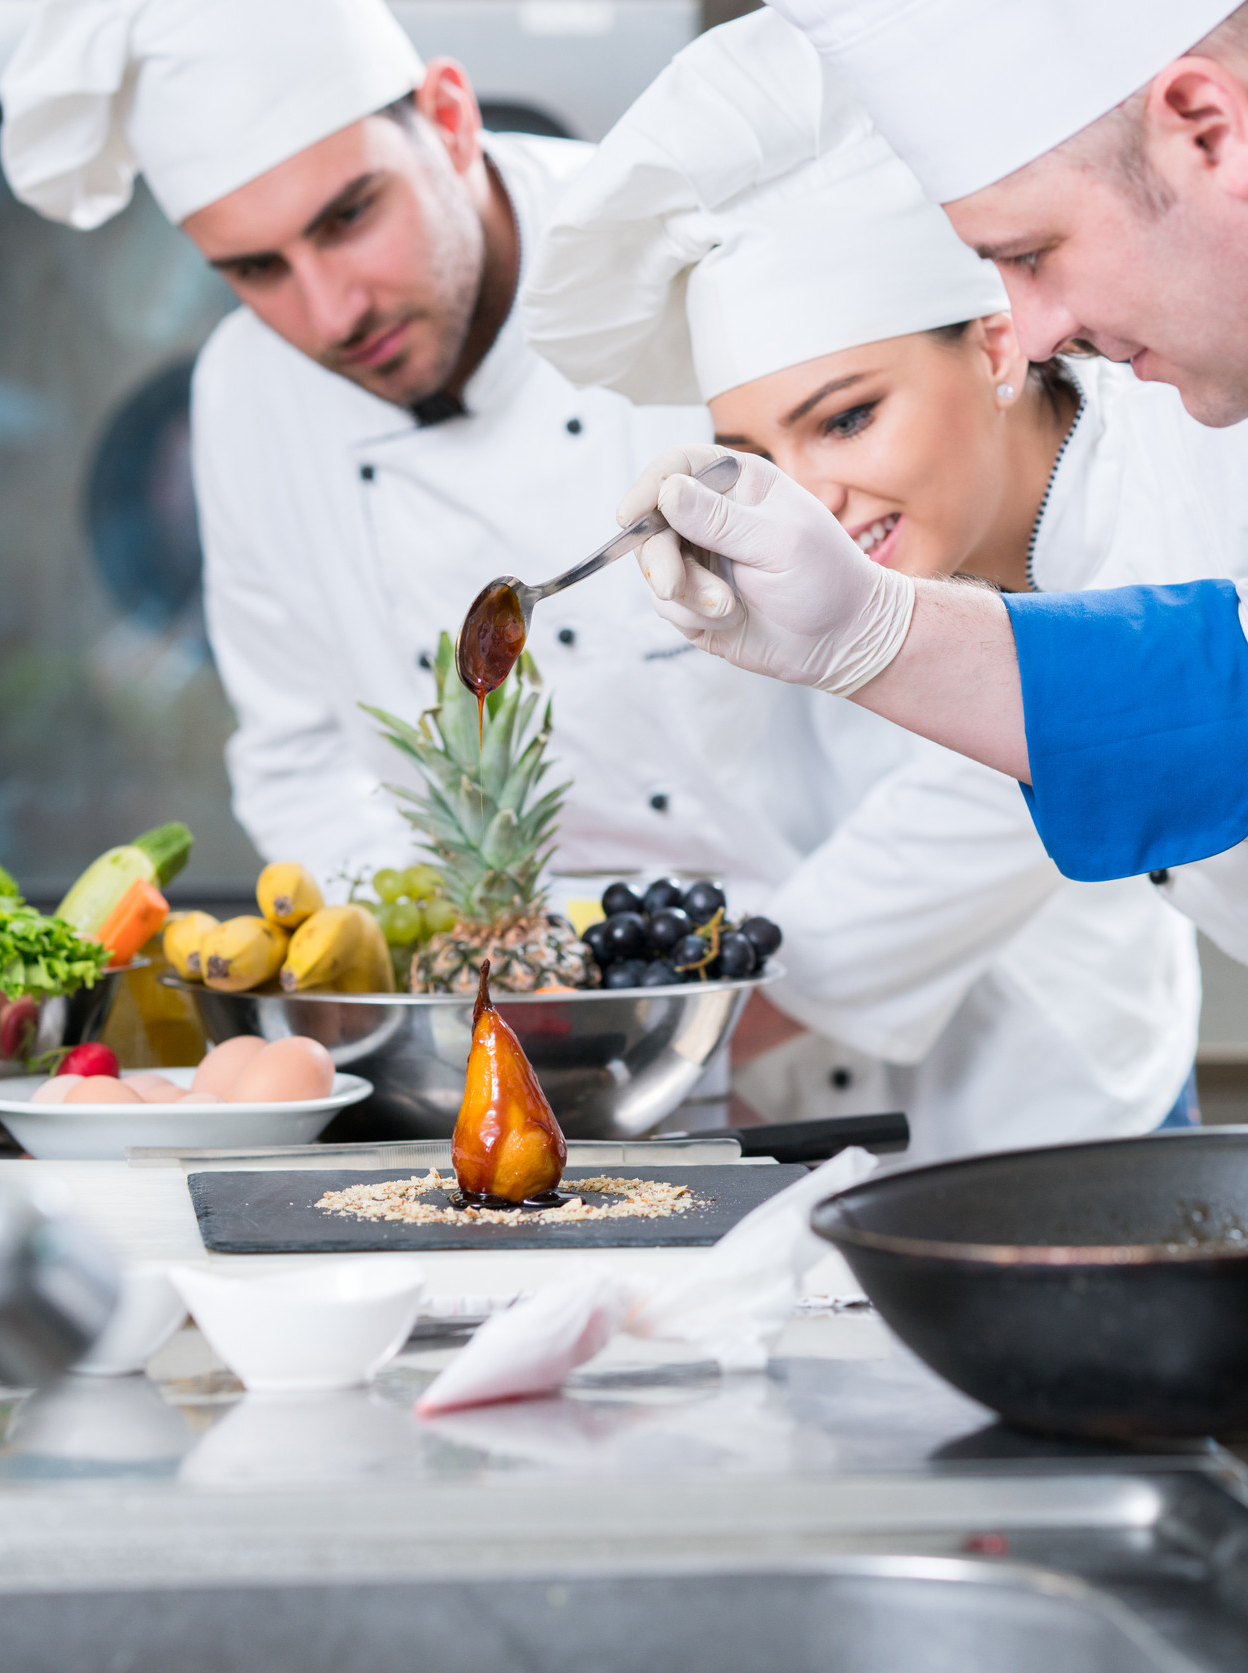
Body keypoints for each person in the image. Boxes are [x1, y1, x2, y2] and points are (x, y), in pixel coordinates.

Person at [539, 14, 1248, 1669]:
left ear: (1208, 129)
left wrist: (877, 633)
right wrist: (870, 634)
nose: (1038, 327)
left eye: (1024, 263)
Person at [0, 0, 1191, 1156]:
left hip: (988, 1029)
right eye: (254, 269)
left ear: (448, 116)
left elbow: (1013, 685)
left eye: (352, 215)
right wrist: (470, 1005)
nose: (328, 307)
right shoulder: (247, 398)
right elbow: (301, 750)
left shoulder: (694, 257)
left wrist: (713, 1020)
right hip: (593, 1062)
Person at [516, 12, 1210, 1157]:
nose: (807, 500)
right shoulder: (912, 547)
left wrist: (672, 1052)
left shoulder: (1168, 498)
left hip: (1075, 1087)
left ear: (998, 346)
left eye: (846, 417)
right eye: (760, 455)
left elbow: (988, 793)